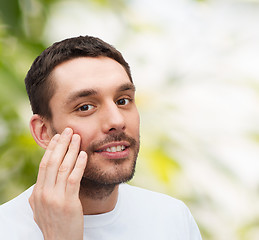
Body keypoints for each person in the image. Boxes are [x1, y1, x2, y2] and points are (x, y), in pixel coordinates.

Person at [0, 35, 202, 240]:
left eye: (122, 101)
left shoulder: (172, 218)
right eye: (85, 107)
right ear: (43, 132)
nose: (117, 120)